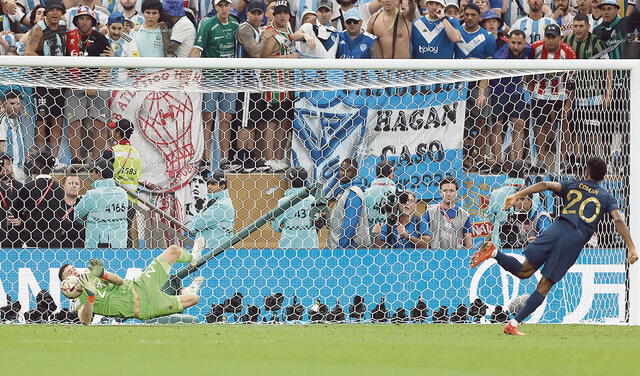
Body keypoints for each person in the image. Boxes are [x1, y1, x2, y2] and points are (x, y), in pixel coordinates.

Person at [470, 157, 638, 335]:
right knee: (544, 285)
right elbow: (618, 218)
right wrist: (631, 247)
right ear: (603, 177)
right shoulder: (606, 196)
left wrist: (516, 195)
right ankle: (513, 324)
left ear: (586, 173)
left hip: (556, 229)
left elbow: (544, 184)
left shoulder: (573, 184)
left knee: (524, 270)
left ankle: (494, 252)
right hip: (574, 239)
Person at [58, 239, 206, 324]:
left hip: (142, 285)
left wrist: (103, 274)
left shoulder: (92, 274)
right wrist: (91, 296)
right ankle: (187, 291)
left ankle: (192, 258)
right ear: (66, 284)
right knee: (194, 299)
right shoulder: (79, 301)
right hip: (148, 308)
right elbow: (85, 321)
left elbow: (119, 281)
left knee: (174, 250)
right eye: (69, 273)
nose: (75, 272)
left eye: (73, 269)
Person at [260, 0, 314, 172]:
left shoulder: (288, 28)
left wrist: (305, 35)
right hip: (273, 84)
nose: (282, 15)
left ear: (290, 15)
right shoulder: (269, 33)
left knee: (284, 121)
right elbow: (264, 58)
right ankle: (269, 160)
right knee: (271, 121)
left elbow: (290, 38)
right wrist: (288, 59)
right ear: (273, 15)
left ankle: (279, 157)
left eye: (285, 13)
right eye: (279, 13)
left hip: (287, 83)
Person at [190, 0, 239, 171]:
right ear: (215, 7)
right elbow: (197, 49)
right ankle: (205, 158)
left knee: (226, 119)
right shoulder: (208, 24)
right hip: (210, 78)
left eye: (226, 5)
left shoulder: (235, 24)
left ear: (230, 6)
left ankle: (225, 159)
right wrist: (185, 70)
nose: (224, 8)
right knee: (208, 119)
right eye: (220, 5)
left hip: (230, 79)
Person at [65, 6, 112, 164]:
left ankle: (97, 160)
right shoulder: (68, 37)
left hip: (97, 85)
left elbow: (108, 64)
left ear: (92, 21)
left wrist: (96, 84)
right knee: (74, 124)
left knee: (99, 123)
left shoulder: (100, 38)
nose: (84, 21)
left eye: (87, 18)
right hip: (74, 85)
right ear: (76, 20)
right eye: (81, 18)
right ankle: (76, 161)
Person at [564, 13, 610, 169]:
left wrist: (608, 93)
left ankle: (591, 163)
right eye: (575, 26)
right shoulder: (567, 41)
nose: (577, 29)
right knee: (575, 131)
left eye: (581, 26)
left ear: (588, 27)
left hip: (593, 96)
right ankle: (577, 162)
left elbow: (608, 68)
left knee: (591, 132)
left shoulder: (596, 42)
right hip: (573, 96)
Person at [528, 23, 576, 173]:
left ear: (560, 38)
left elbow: (572, 81)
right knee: (540, 124)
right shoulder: (535, 47)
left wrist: (568, 104)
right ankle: (540, 160)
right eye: (547, 37)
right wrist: (530, 88)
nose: (549, 41)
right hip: (540, 93)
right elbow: (525, 70)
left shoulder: (568, 52)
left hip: (561, 93)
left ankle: (563, 160)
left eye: (553, 37)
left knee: (564, 124)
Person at [24, 0, 66, 161]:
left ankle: (54, 160)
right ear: (46, 12)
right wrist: (51, 63)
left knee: (57, 120)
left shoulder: (63, 26)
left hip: (60, 82)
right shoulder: (39, 29)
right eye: (51, 10)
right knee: (41, 121)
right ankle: (41, 159)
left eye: (58, 10)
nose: (55, 13)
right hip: (42, 82)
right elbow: (28, 52)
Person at [483, 29, 531, 167]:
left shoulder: (529, 51)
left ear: (524, 43)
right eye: (513, 43)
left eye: (519, 43)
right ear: (509, 42)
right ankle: (499, 162)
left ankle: (518, 163)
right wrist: (482, 93)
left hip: (517, 92)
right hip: (499, 92)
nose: (515, 46)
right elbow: (487, 71)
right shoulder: (501, 56)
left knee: (519, 125)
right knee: (497, 126)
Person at [235, 0, 273, 173]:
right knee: (245, 122)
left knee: (255, 121)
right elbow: (255, 52)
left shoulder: (257, 30)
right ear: (247, 13)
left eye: (259, 13)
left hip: (257, 82)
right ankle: (244, 158)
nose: (256, 16)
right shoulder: (245, 29)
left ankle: (252, 157)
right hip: (246, 81)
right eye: (253, 13)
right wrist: (266, 37)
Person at [486, 160, 551, 249]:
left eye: (522, 199)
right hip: (524, 243)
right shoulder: (534, 194)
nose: (518, 202)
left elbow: (491, 217)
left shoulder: (496, 194)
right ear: (524, 174)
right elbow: (533, 216)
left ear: (508, 172)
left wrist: (500, 221)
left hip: (499, 242)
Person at [74, 158, 129, 248]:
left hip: (97, 245)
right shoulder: (123, 193)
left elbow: (76, 215)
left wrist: (85, 221)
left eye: (93, 171)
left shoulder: (92, 194)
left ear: (98, 173)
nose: (92, 173)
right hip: (120, 245)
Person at [18, 149, 66, 248]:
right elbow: (61, 212)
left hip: (31, 237)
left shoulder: (28, 187)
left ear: (39, 165)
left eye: (35, 163)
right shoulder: (60, 189)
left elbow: (19, 211)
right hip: (54, 238)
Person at [327, 158, 371, 249]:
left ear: (355, 173)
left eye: (348, 171)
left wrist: (340, 249)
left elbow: (350, 226)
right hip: (339, 245)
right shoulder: (343, 191)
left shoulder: (354, 193)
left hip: (348, 248)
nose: (343, 173)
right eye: (342, 169)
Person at [272, 167, 319, 249]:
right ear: (305, 181)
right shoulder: (313, 200)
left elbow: (276, 226)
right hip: (311, 247)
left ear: (289, 182)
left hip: (289, 248)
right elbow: (317, 222)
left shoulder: (284, 202)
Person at [190, 170, 236, 249]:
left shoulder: (221, 205)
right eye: (208, 183)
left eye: (213, 184)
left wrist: (195, 224)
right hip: (212, 249)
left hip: (218, 251)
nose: (209, 186)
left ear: (222, 186)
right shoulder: (213, 201)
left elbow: (197, 224)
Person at [423, 177, 472, 249]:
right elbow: (424, 239)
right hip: (435, 254)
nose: (448, 194)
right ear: (440, 193)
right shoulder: (430, 212)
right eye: (445, 190)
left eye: (451, 191)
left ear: (457, 193)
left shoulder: (464, 215)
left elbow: (468, 243)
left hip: (456, 255)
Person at [0, 89, 30, 182]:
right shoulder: (2, 120)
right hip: (9, 170)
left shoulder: (16, 118)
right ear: (4, 104)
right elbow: (1, 146)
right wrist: (6, 168)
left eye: (18, 103)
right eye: (12, 103)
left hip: (20, 167)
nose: (16, 107)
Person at [364, 159, 396, 237]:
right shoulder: (398, 192)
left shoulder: (366, 193)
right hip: (393, 243)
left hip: (370, 242)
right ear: (391, 174)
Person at [0, 152, 23, 248]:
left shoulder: (21, 187)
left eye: (8, 163)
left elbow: (28, 211)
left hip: (16, 236)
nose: (6, 167)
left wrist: (21, 221)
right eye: (2, 164)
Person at [60, 173, 85, 247]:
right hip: (60, 247)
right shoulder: (57, 203)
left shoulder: (84, 203)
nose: (73, 186)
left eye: (76, 184)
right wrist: (77, 226)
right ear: (63, 186)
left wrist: (65, 225)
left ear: (80, 187)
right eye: (70, 183)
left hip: (80, 245)